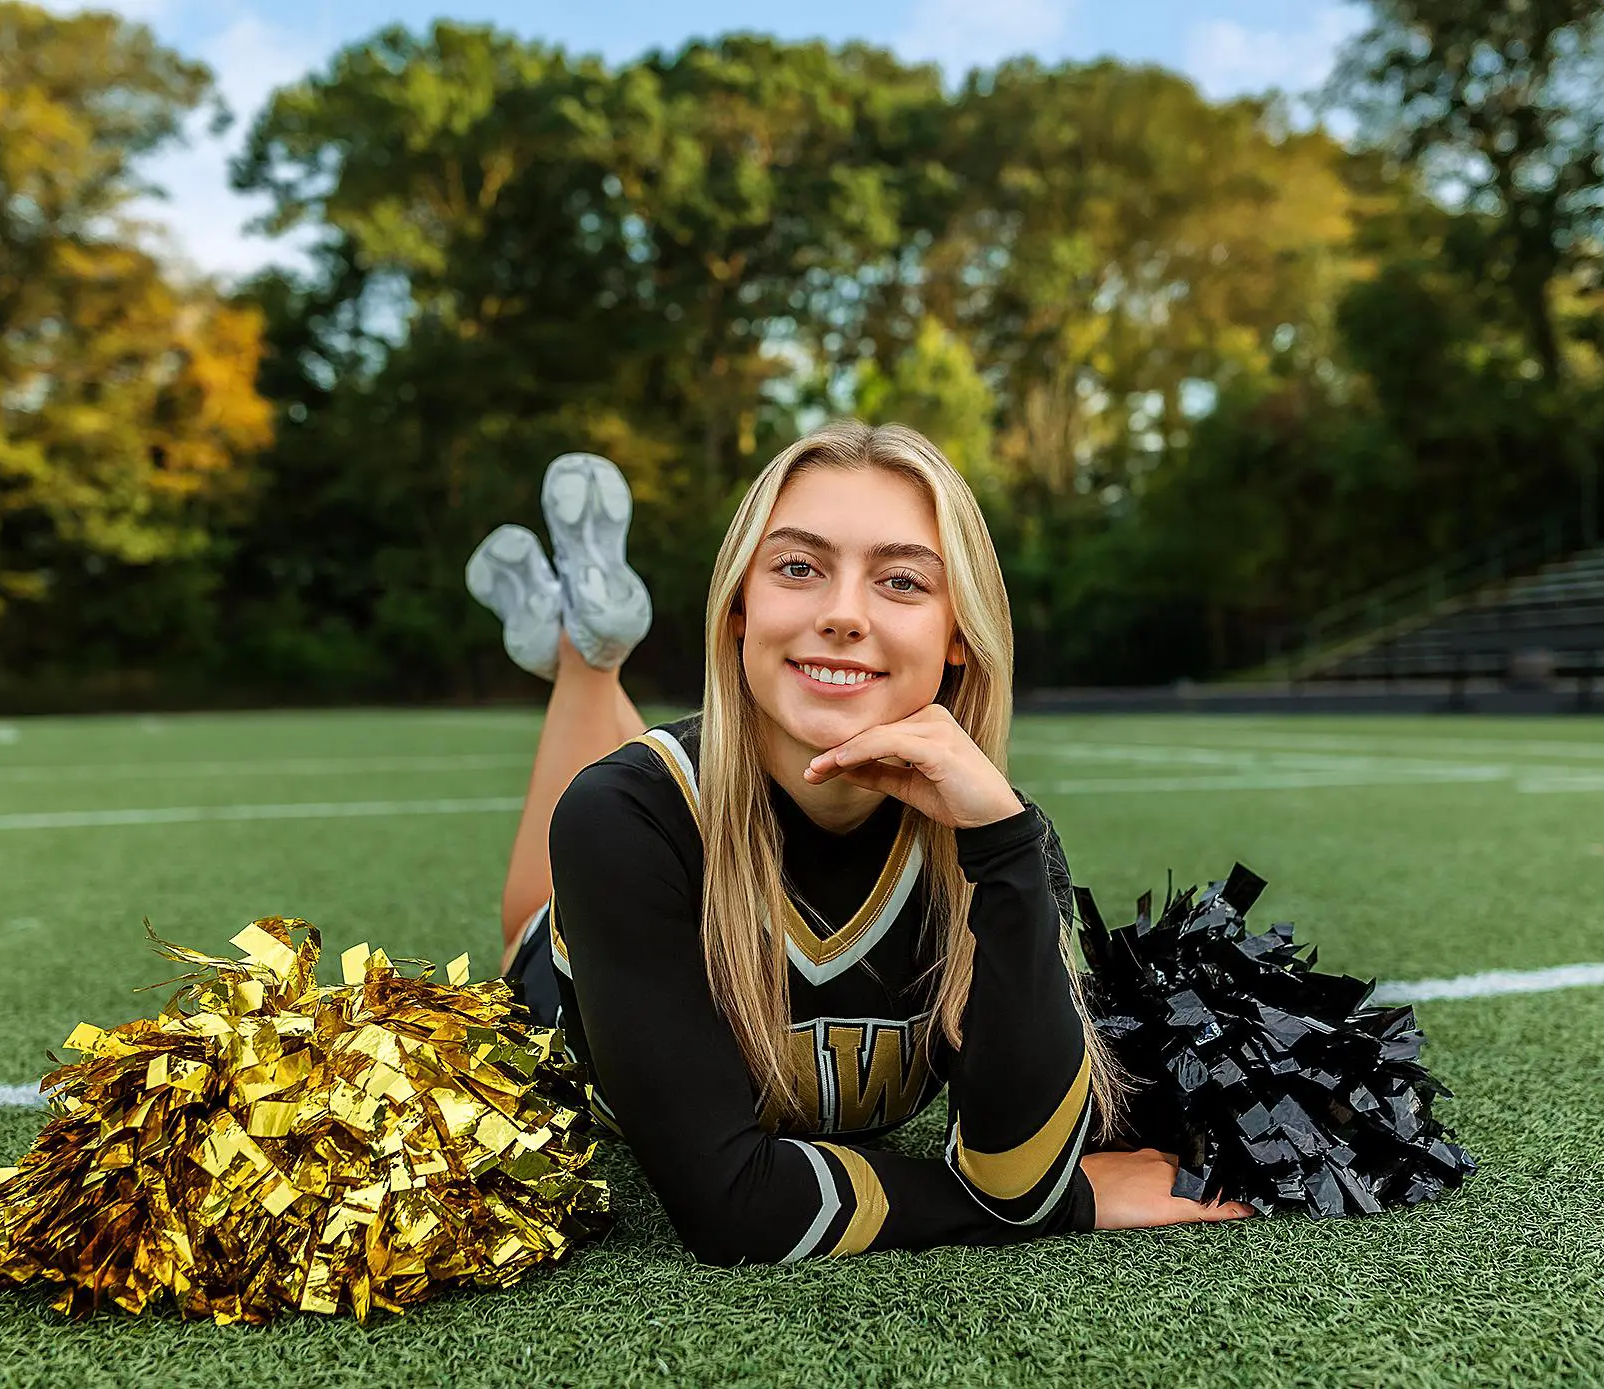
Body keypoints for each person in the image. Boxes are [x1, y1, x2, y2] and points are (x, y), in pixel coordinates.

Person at [465, 422, 1251, 1266]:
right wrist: (1070, 1200)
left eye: (902, 580)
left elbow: (1020, 1175)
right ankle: (589, 651)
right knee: (549, 894)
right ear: (739, 610)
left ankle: (576, 634)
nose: (842, 614)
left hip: (683, 834)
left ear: (960, 633)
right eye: (798, 568)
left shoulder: (999, 841)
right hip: (557, 983)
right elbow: (732, 1209)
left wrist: (1007, 845)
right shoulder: (622, 817)